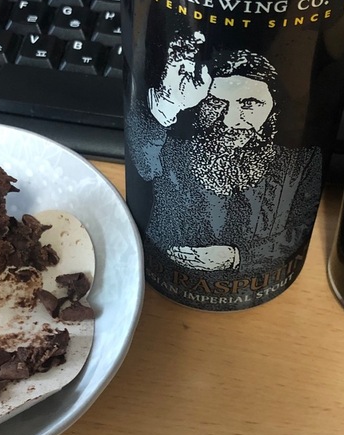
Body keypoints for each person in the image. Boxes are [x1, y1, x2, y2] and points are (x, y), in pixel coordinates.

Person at [126, 31, 322, 277]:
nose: (230, 120)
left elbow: (299, 230)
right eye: (217, 103)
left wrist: (236, 258)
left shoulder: (301, 164)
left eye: (249, 104)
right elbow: (140, 163)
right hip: (155, 278)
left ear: (274, 108)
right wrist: (168, 103)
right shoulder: (172, 150)